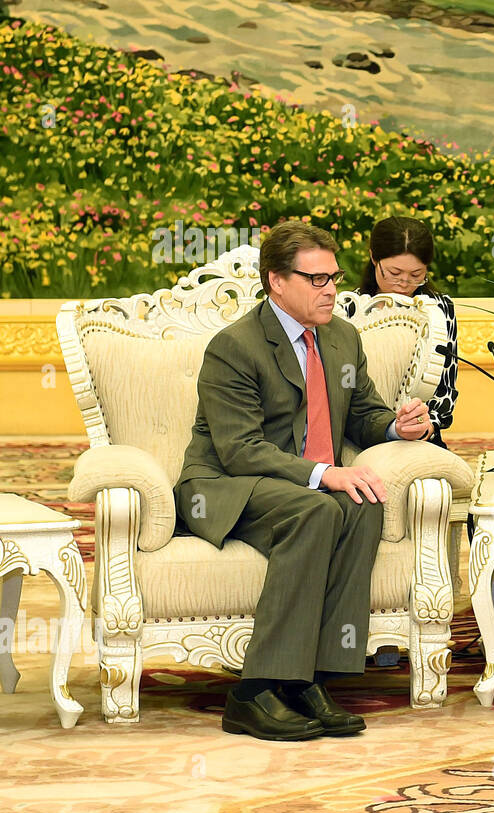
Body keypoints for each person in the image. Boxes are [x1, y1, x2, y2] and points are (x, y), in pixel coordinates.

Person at [175, 221, 435, 741]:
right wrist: (326, 474)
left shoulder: (340, 336)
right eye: (315, 280)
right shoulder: (236, 347)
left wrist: (394, 426)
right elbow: (239, 450)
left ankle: (312, 680)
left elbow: (361, 413)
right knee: (319, 507)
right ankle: (253, 692)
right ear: (276, 281)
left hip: (297, 484)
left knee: (364, 502)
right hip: (225, 485)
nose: (330, 289)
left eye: (333, 277)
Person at [355, 216, 459, 449]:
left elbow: (446, 386)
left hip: (419, 435)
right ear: (374, 258)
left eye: (416, 275)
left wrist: (427, 424)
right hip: (358, 433)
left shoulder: (439, 309)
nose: (404, 283)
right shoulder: (350, 308)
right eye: (394, 272)